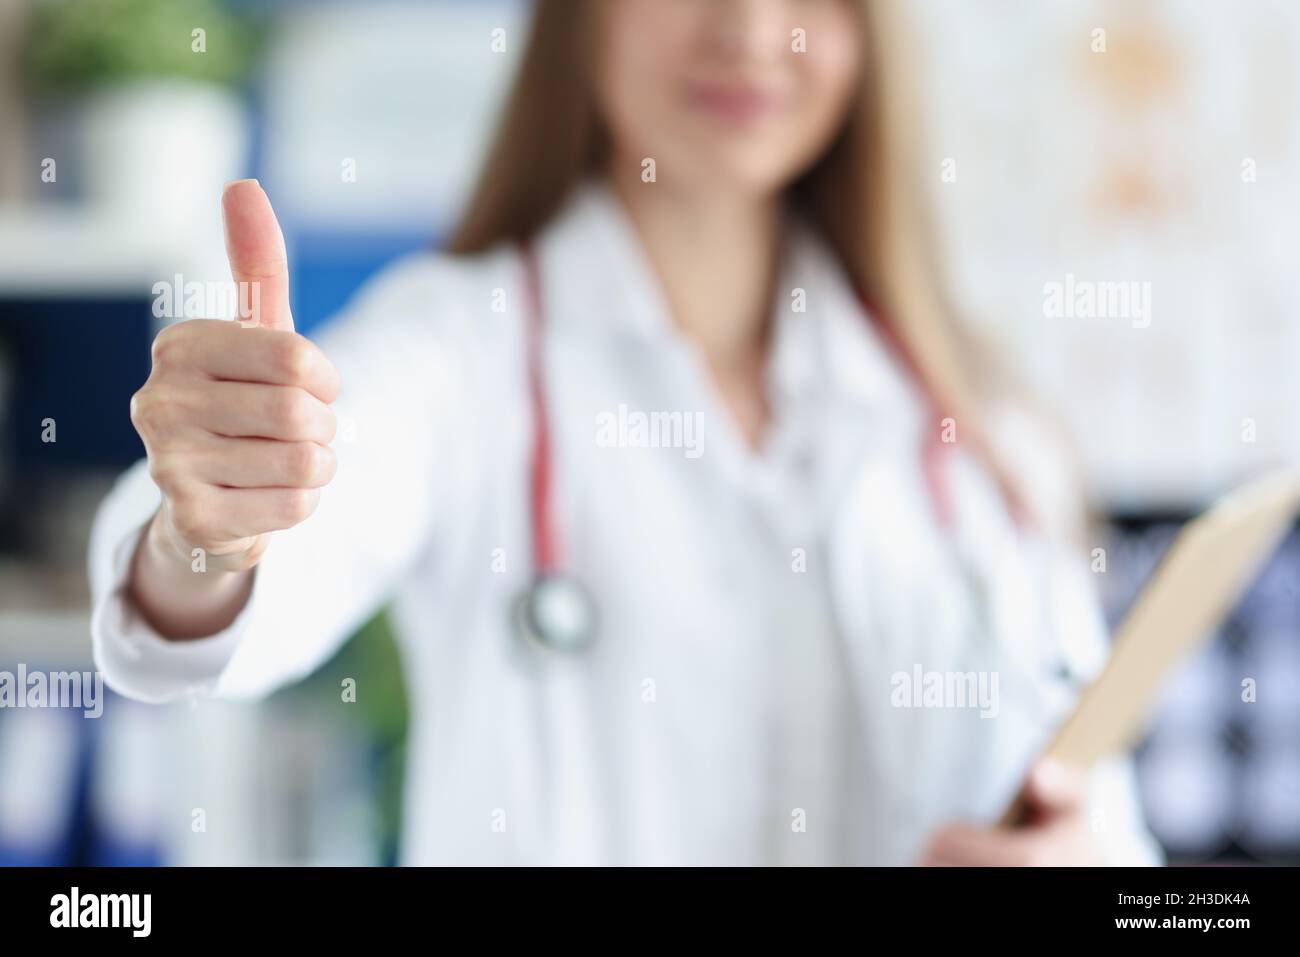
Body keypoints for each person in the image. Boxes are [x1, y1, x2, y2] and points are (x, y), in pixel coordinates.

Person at [89, 0, 1161, 865]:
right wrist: (208, 530)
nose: (747, 28)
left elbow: (1104, 828)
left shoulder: (983, 431)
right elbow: (217, 591)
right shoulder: (457, 351)